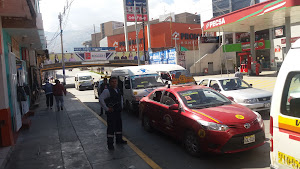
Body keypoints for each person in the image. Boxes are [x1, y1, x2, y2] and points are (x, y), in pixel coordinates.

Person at [99, 77, 127, 150]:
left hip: (118, 111)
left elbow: (120, 98)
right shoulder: (107, 91)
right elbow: (101, 99)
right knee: (111, 128)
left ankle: (119, 140)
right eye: (113, 82)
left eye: (115, 81)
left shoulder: (118, 90)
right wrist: (106, 108)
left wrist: (122, 106)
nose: (114, 83)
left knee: (118, 126)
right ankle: (110, 144)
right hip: (111, 113)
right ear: (110, 83)